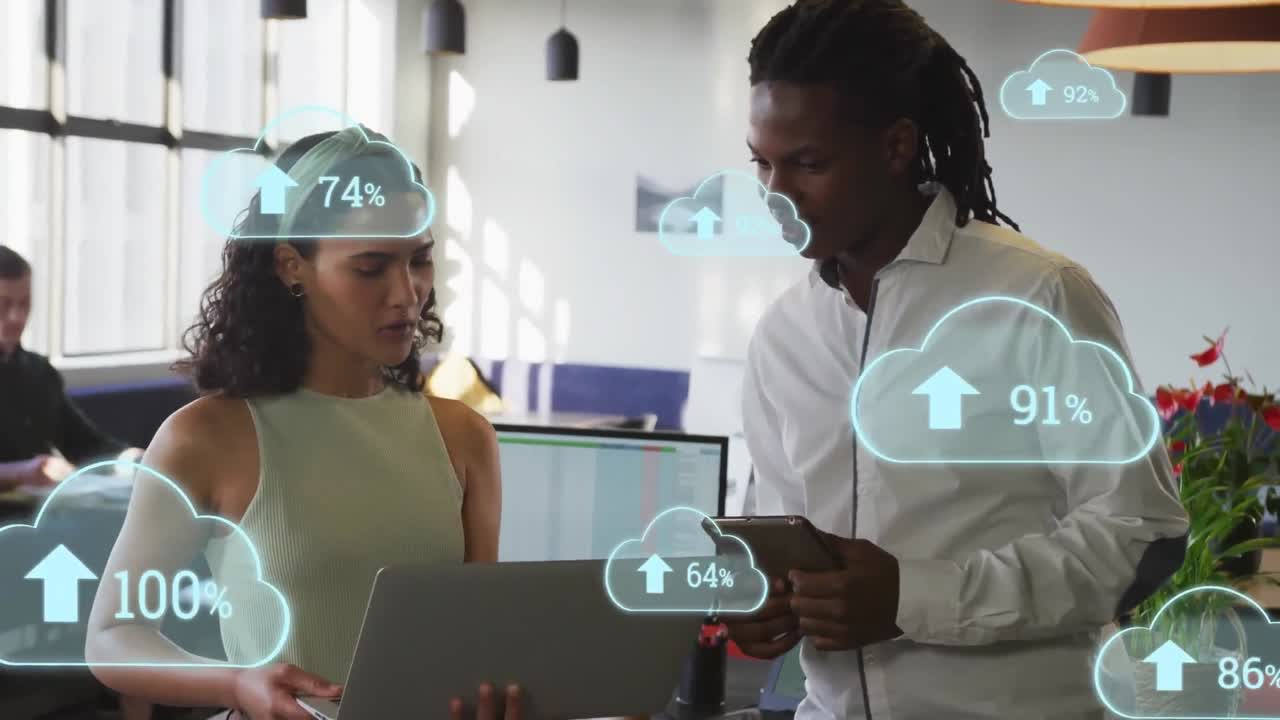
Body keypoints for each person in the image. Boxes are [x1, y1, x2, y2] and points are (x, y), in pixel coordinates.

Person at [723, 1, 1189, 718]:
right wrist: (765, 606)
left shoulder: (1038, 295)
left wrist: (914, 597)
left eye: (809, 163)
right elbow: (777, 537)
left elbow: (1142, 537)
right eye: (763, 164)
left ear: (896, 145)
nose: (777, 195)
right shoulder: (783, 334)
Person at [84, 127, 519, 720]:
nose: (407, 295)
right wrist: (236, 684)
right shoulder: (207, 437)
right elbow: (112, 636)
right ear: (292, 266)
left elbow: (478, 632)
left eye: (420, 260)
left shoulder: (465, 436)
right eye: (371, 268)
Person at [0, 245, 144, 492]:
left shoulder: (38, 371)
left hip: (36, 513)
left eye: (25, 304)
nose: (17, 317)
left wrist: (135, 460)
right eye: (3, 304)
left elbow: (84, 444)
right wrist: (19, 472)